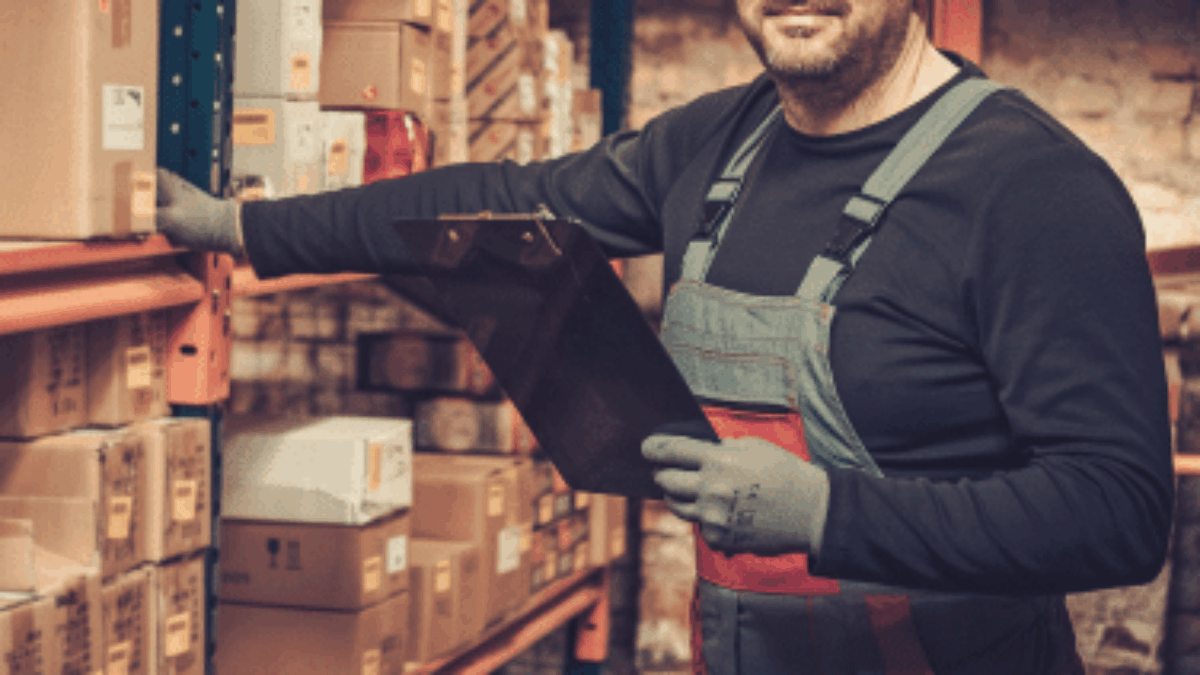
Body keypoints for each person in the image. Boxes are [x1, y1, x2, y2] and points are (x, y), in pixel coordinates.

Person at [158, 0, 1174, 672]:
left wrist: (832, 513)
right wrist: (249, 229)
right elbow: (499, 207)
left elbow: (1119, 514)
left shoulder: (1034, 188)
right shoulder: (715, 145)